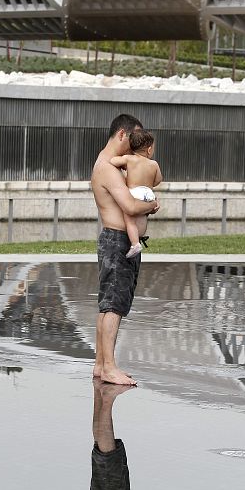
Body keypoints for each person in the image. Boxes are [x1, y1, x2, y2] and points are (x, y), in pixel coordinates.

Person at [91, 114, 160, 386]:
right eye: (133, 138)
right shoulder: (108, 168)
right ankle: (108, 367)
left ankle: (101, 364)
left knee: (108, 303)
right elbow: (130, 207)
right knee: (114, 305)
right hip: (117, 241)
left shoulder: (110, 165)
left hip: (115, 239)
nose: (136, 145)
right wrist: (151, 205)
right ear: (122, 134)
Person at [110, 128, 163, 258]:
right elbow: (158, 180)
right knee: (143, 214)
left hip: (135, 192)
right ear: (149, 149)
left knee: (130, 219)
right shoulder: (154, 164)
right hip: (149, 194)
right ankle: (140, 235)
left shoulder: (129, 159)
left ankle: (135, 244)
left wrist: (123, 165)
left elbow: (112, 161)